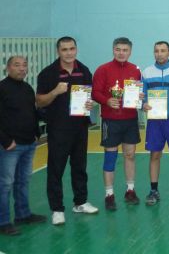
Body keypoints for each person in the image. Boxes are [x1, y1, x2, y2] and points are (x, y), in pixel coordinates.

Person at [36, 37, 98, 225]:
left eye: (72, 48)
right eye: (64, 49)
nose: (69, 53)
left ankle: (80, 202)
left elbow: (89, 96)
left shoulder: (84, 70)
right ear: (58, 51)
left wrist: (90, 104)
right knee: (56, 169)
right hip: (58, 128)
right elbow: (40, 101)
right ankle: (57, 209)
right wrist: (55, 92)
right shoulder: (48, 73)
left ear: (76, 49)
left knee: (80, 166)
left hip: (80, 127)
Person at [92, 37, 143, 211]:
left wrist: (140, 96)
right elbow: (95, 92)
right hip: (110, 120)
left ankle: (130, 190)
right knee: (110, 157)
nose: (121, 53)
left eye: (125, 50)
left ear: (130, 51)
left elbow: (139, 91)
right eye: (118, 49)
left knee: (130, 155)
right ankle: (109, 194)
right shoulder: (102, 69)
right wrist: (106, 100)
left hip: (130, 119)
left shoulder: (135, 70)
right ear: (113, 50)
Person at [0, 56, 46, 235]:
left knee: (23, 181)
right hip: (10, 147)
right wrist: (5, 141)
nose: (21, 68)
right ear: (8, 68)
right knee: (5, 184)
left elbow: (32, 113)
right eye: (17, 65)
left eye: (24, 65)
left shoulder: (27, 88)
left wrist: (36, 134)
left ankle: (23, 214)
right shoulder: (2, 88)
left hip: (29, 144)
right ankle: (3, 222)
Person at [141, 41, 169, 205]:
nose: (159, 54)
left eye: (163, 51)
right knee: (155, 154)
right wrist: (143, 104)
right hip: (155, 120)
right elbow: (142, 95)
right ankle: (153, 190)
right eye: (156, 51)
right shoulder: (147, 72)